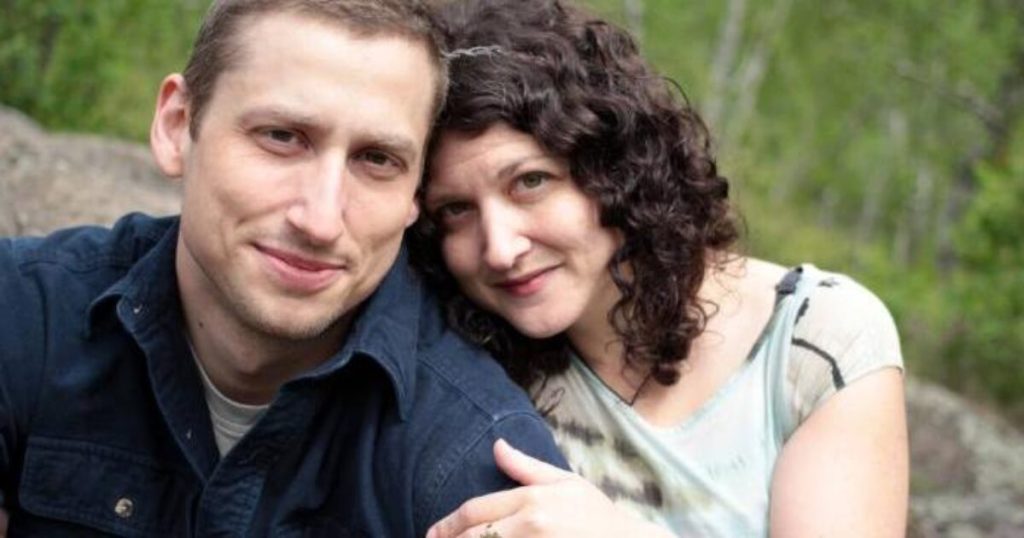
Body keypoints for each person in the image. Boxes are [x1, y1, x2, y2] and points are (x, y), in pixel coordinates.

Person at [0, 0, 568, 535]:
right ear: (177, 126)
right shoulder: (26, 316)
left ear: (414, 195)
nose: (320, 220)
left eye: (376, 159)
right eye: (281, 137)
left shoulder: (475, 457)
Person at [414, 0, 910, 536]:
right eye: (455, 210)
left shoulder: (816, 340)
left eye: (530, 182)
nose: (499, 248)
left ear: (614, 169)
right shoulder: (472, 370)